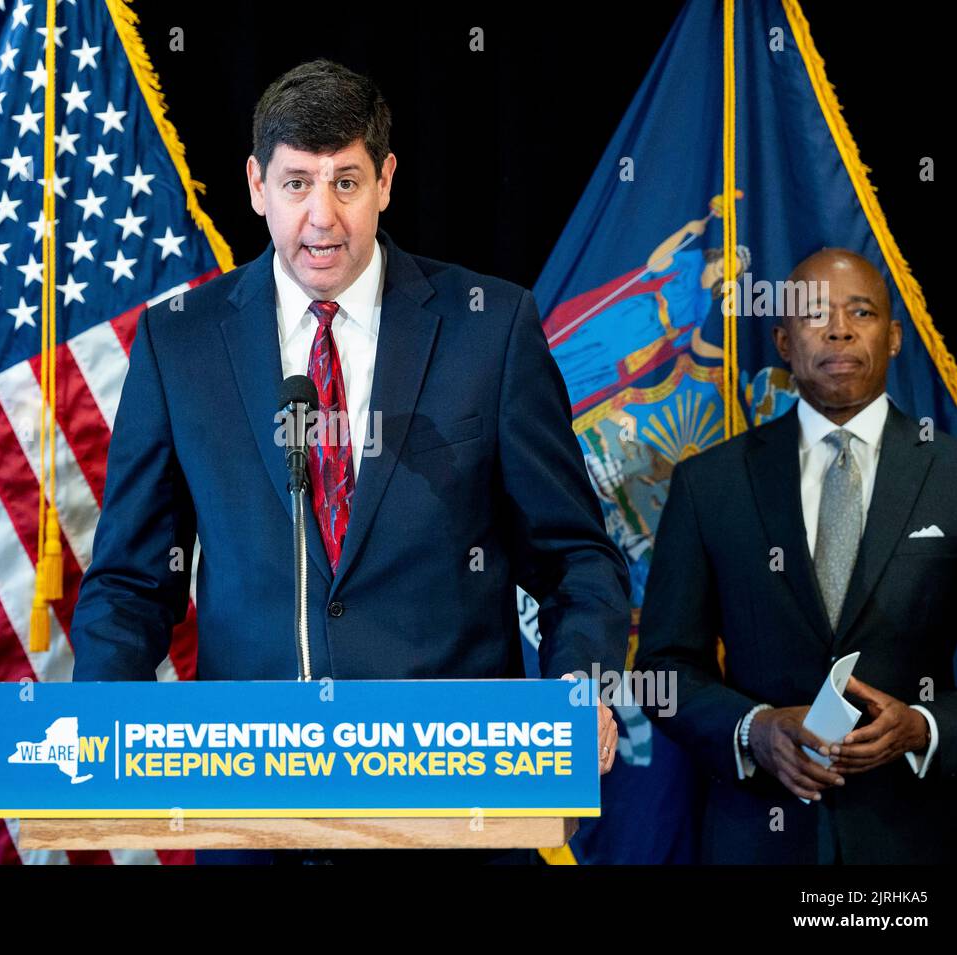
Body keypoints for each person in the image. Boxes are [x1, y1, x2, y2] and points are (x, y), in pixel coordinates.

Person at [69, 60, 630, 864]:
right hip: (251, 814)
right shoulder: (181, 343)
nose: (321, 217)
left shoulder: (489, 328)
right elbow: (130, 580)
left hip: (456, 812)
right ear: (257, 185)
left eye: (346, 182)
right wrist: (100, 719)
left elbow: (576, 556)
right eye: (297, 184)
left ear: (387, 181)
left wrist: (579, 689)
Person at [636, 248, 957, 864]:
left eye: (862, 312)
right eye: (815, 314)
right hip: (756, 841)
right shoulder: (709, 484)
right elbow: (663, 669)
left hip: (911, 845)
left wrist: (923, 728)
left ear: (895, 337)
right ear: (784, 342)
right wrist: (755, 729)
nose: (840, 328)